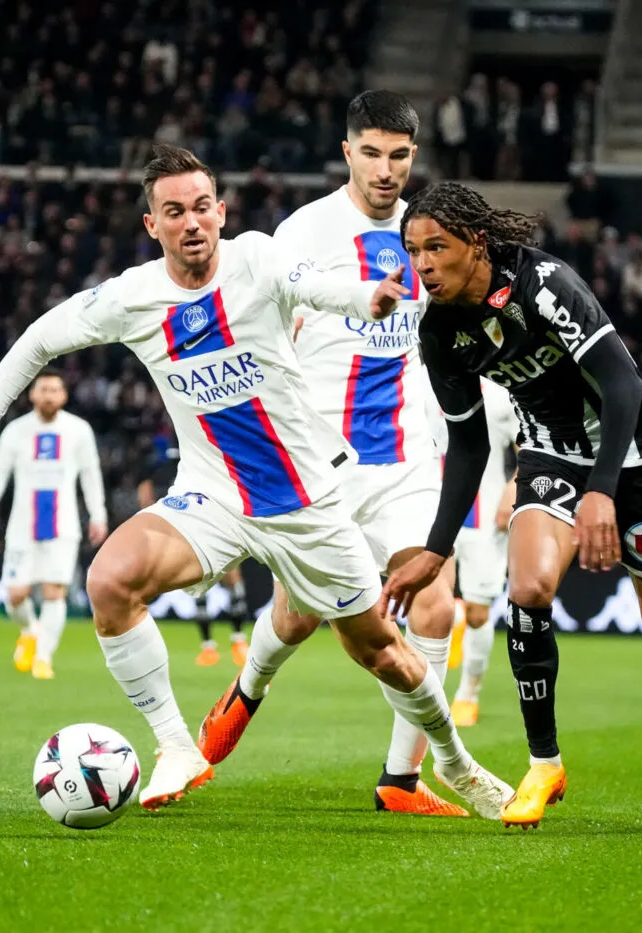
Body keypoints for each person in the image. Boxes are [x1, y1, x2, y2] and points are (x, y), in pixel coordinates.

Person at [0, 145, 513, 816]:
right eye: (174, 211)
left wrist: (369, 297)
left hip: (307, 502)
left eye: (203, 207)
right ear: (152, 224)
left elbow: (315, 284)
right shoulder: (133, 296)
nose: (192, 223)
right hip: (213, 494)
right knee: (109, 580)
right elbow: (38, 338)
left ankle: (453, 760)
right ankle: (177, 745)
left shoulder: (256, 259)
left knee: (381, 651)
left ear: (222, 211)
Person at [384, 182, 642, 830]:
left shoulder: (544, 284)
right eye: (414, 249)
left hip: (635, 458)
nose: (422, 264)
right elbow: (471, 445)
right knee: (528, 586)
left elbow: (621, 384)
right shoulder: (441, 330)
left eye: (436, 248)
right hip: (550, 456)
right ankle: (544, 762)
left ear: (476, 244)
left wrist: (601, 489)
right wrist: (436, 546)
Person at [200, 90, 468, 817]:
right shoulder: (303, 232)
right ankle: (246, 688)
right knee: (297, 616)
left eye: (400, 156)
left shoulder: (431, 233)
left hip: (409, 456)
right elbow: (258, 335)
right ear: (347, 151)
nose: (386, 170)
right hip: (324, 456)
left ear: (415, 157)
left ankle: (400, 781)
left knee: (437, 608)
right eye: (372, 153)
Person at [0, 368, 109, 680]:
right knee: (15, 595)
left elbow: (90, 475)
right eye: (43, 389)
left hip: (63, 523)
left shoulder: (78, 430)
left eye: (54, 390)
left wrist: (98, 514)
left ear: (63, 396)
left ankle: (44, 658)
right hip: (23, 524)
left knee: (54, 591)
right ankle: (30, 630)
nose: (48, 395)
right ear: (32, 395)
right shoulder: (16, 431)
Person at [136, 440, 252, 668]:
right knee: (200, 586)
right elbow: (145, 493)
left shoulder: (210, 456)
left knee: (232, 581)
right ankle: (209, 646)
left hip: (218, 527)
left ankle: (238, 641)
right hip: (186, 532)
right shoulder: (163, 464)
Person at [443, 380, 519, 727]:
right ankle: (426, 696)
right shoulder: (420, 380)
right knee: (428, 603)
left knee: (478, 611)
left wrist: (514, 487)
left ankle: (468, 695)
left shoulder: (501, 393)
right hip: (430, 508)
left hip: (483, 514)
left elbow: (529, 445)